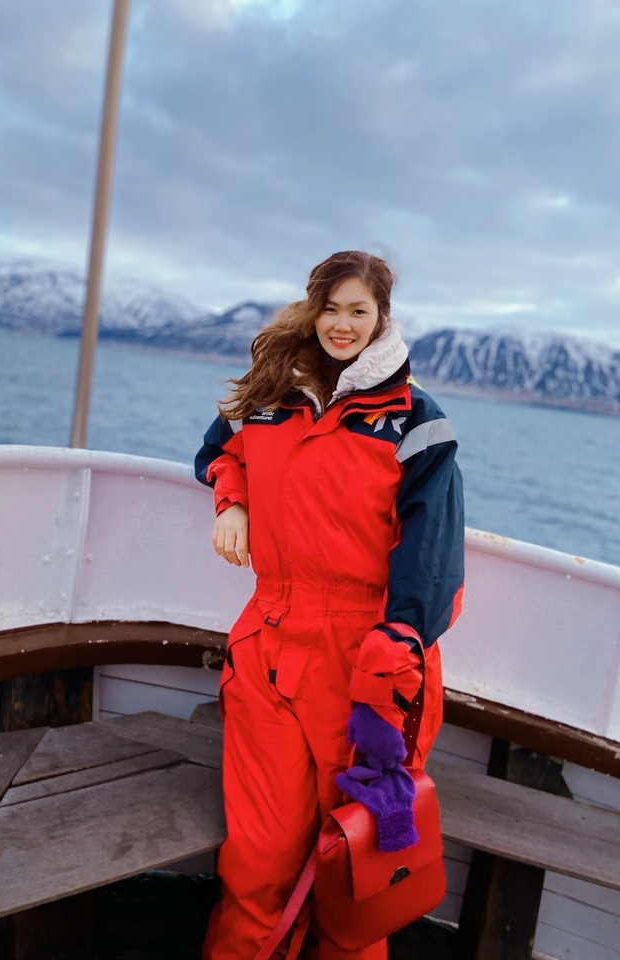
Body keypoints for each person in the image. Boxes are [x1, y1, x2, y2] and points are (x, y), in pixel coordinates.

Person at [194, 250, 464, 960]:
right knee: (259, 865)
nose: (342, 324)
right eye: (332, 308)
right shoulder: (268, 397)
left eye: (359, 310)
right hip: (269, 652)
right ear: (312, 309)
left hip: (370, 665)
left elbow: (433, 547)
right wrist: (234, 499)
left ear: (381, 319)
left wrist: (399, 646)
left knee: (355, 871)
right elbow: (218, 451)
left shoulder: (415, 420)